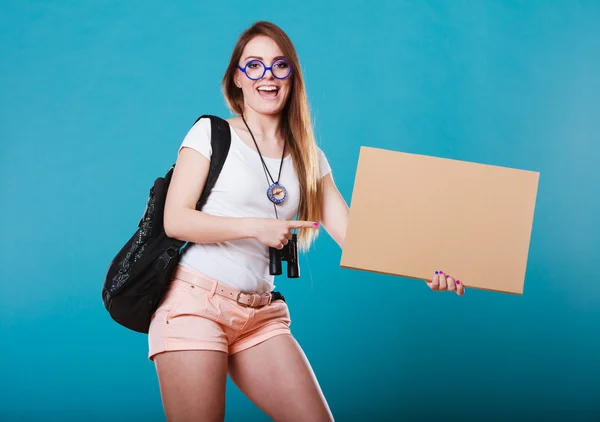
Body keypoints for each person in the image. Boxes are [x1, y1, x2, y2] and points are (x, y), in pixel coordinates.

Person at [148, 20, 465, 422]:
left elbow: (356, 237)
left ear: (292, 77)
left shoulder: (308, 156)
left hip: (260, 315)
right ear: (237, 78)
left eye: (280, 65)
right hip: (194, 305)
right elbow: (176, 220)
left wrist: (431, 268)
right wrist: (255, 226)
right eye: (254, 65)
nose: (268, 75)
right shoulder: (209, 133)